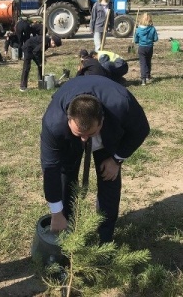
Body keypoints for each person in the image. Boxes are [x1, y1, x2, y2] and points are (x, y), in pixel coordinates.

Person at [40, 75, 150, 244]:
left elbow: (141, 130)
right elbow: (50, 168)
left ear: (102, 120)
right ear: (68, 120)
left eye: (90, 134)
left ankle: (104, 239)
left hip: (108, 138)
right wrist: (56, 213)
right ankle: (67, 231)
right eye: (80, 134)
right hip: (69, 139)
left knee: (109, 181)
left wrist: (116, 159)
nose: (84, 139)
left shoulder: (121, 105)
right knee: (65, 175)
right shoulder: (54, 123)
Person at [134, 12, 158, 85]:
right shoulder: (152, 28)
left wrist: (138, 40)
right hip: (149, 47)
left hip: (141, 47)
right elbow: (156, 39)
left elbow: (136, 40)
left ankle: (143, 79)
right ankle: (148, 76)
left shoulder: (138, 29)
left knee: (143, 63)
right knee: (148, 62)